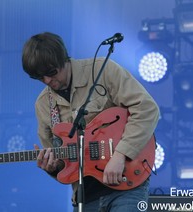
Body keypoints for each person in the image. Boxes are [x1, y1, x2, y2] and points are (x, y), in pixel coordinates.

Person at [21, 32, 160, 212]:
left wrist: (120, 155)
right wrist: (52, 167)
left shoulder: (102, 70)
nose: (47, 81)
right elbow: (62, 163)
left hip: (127, 182)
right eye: (40, 78)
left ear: (64, 59)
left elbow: (147, 108)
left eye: (51, 73)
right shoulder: (43, 105)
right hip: (85, 196)